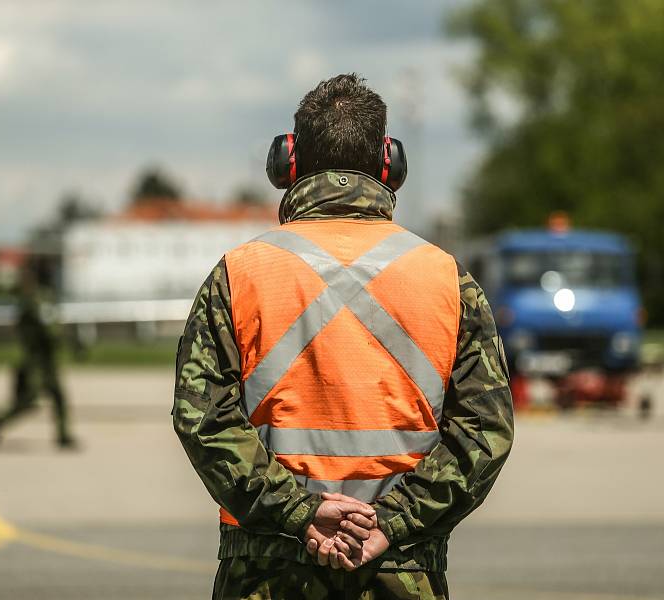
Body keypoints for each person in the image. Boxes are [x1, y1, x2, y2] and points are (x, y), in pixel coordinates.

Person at [173, 73, 513, 599]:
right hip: (401, 571)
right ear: (389, 163)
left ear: (287, 162)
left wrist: (298, 511)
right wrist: (391, 523)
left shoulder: (238, 274)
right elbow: (483, 434)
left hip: (266, 571)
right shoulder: (448, 279)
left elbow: (202, 419)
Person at [0, 258, 76, 449]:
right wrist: (64, 339)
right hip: (35, 360)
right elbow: (48, 328)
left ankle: (63, 435)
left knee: (58, 396)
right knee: (28, 400)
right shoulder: (33, 299)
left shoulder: (42, 297)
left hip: (47, 360)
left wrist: (71, 342)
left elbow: (53, 326)